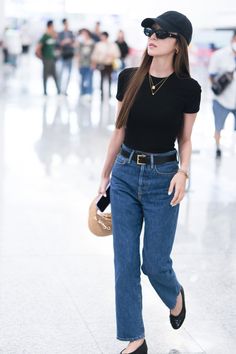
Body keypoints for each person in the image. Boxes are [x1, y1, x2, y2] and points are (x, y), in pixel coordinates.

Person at [98, 10, 201, 354]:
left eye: (161, 32)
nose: (152, 36)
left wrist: (183, 172)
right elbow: (119, 130)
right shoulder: (129, 78)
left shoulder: (188, 89)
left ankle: (175, 296)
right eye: (150, 30)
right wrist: (104, 174)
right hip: (126, 174)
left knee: (154, 263)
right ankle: (135, 339)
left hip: (163, 177)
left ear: (178, 44)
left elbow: (185, 140)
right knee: (124, 262)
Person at [208, 30, 236, 158]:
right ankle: (218, 148)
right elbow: (211, 75)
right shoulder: (219, 55)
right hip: (221, 99)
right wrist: (220, 84)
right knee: (218, 126)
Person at [91, 31, 120, 100]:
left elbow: (117, 54)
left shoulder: (112, 45)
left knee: (109, 78)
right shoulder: (98, 45)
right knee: (101, 78)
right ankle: (102, 93)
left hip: (110, 64)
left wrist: (111, 56)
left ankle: (109, 93)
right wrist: (94, 63)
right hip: (101, 64)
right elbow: (95, 55)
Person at [35, 20, 60, 96]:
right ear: (49, 26)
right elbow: (38, 47)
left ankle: (58, 90)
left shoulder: (52, 36)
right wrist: (41, 57)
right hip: (46, 58)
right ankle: (45, 90)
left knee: (55, 74)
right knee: (45, 74)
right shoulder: (45, 36)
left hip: (52, 58)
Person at [58, 18, 75, 95]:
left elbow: (73, 43)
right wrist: (65, 42)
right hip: (62, 56)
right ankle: (60, 89)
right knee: (61, 73)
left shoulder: (71, 33)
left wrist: (68, 42)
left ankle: (65, 90)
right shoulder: (60, 33)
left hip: (70, 55)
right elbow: (59, 44)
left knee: (69, 74)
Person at [77, 28, 95, 97]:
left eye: (85, 33)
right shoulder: (80, 43)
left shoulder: (92, 42)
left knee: (89, 78)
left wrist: (93, 63)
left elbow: (94, 54)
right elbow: (78, 54)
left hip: (89, 63)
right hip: (82, 63)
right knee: (81, 79)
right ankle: (82, 92)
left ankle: (89, 92)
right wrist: (78, 63)